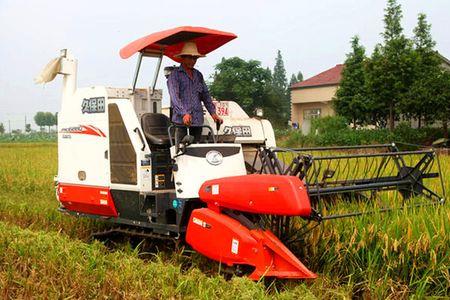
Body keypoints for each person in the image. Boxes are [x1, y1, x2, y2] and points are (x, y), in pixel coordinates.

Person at [167, 41, 223, 143]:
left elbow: (205, 96)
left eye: (195, 58)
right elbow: (175, 97)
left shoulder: (198, 75)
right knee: (181, 152)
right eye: (190, 58)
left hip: (197, 121)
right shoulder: (175, 75)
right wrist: (184, 114)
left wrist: (213, 114)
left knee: (197, 150)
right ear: (183, 58)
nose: (193, 61)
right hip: (181, 123)